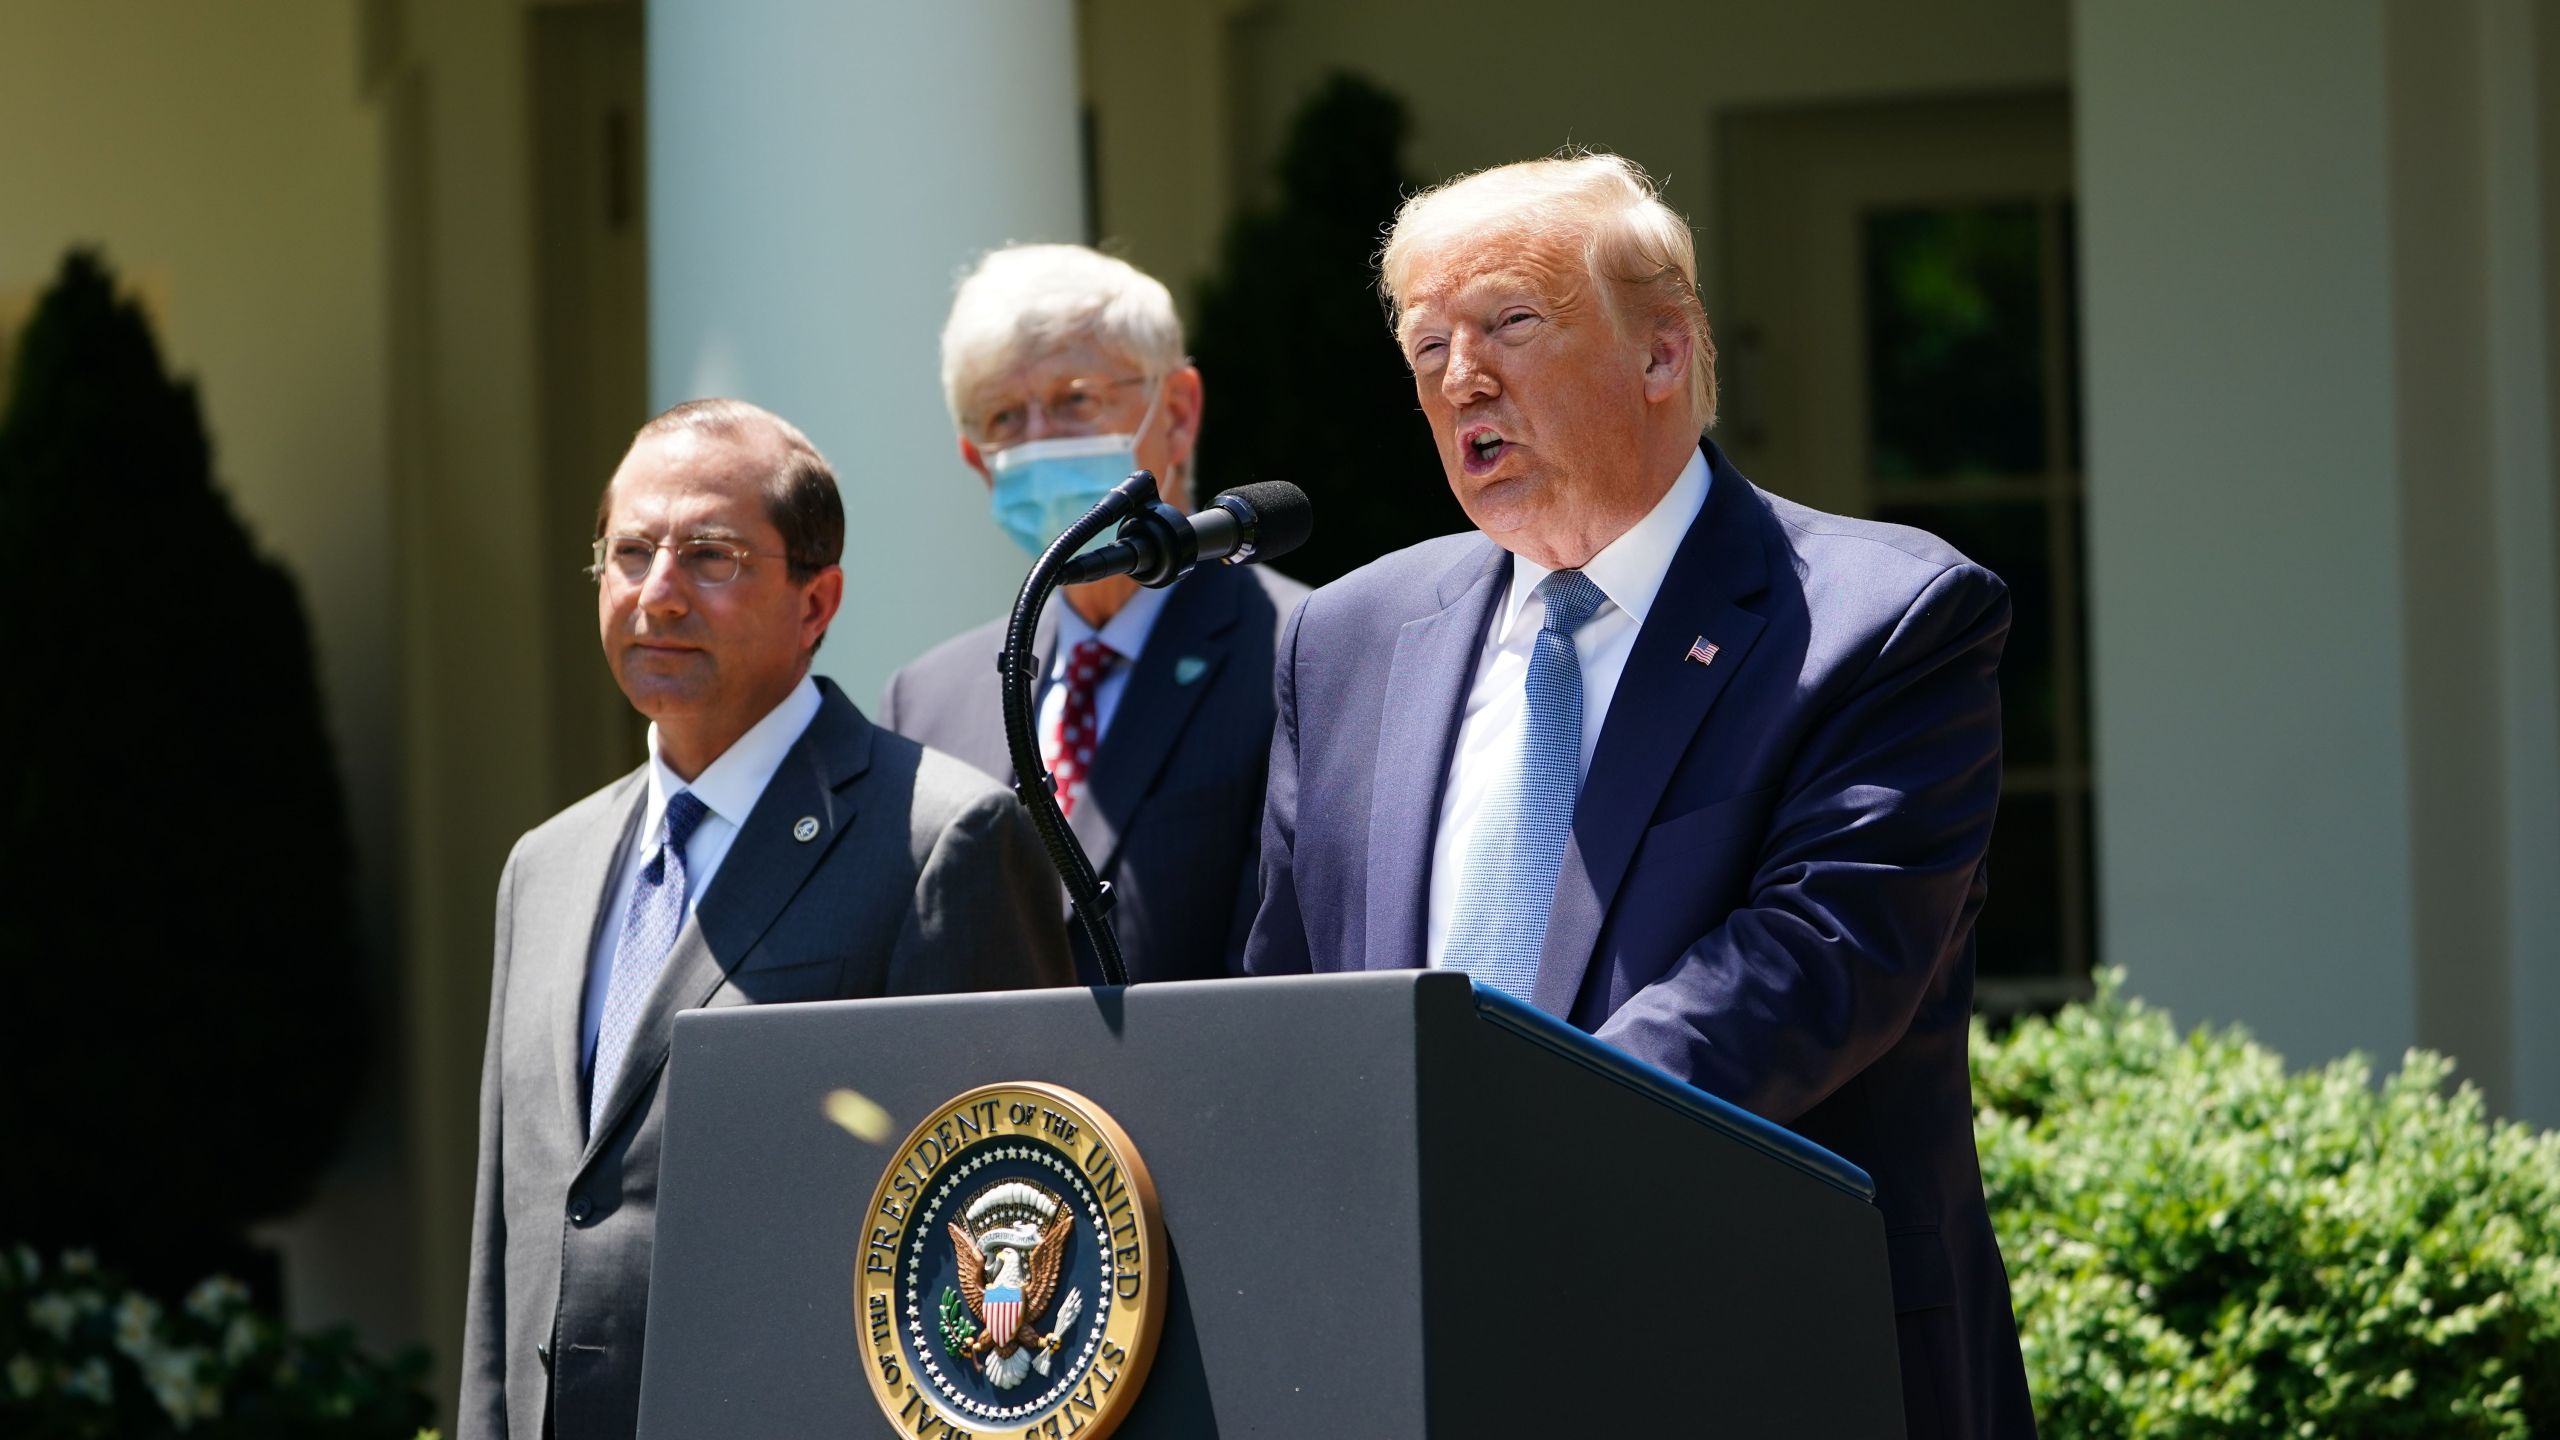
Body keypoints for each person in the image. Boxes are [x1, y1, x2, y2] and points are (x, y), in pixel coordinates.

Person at [1241, 154, 2035, 1438]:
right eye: (1426, 345)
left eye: (1508, 323)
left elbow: (1811, 967)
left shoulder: (1882, 621)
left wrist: (1483, 1152)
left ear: (1664, 354)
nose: (1461, 379)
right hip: (1414, 1363)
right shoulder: (1347, 638)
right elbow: (1289, 994)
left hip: (1754, 1355)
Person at [458, 399, 1071, 1440]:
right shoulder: (544, 869)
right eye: (630, 552)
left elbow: (1010, 1223)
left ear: (815, 599)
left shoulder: (939, 839)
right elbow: (506, 1249)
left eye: (711, 556)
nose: (657, 594)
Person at [882, 245, 1308, 983]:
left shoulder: (1300, 653)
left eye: (1074, 400)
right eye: (1005, 417)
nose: (1038, 439)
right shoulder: (925, 701)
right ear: (974, 458)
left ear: (1176, 413)